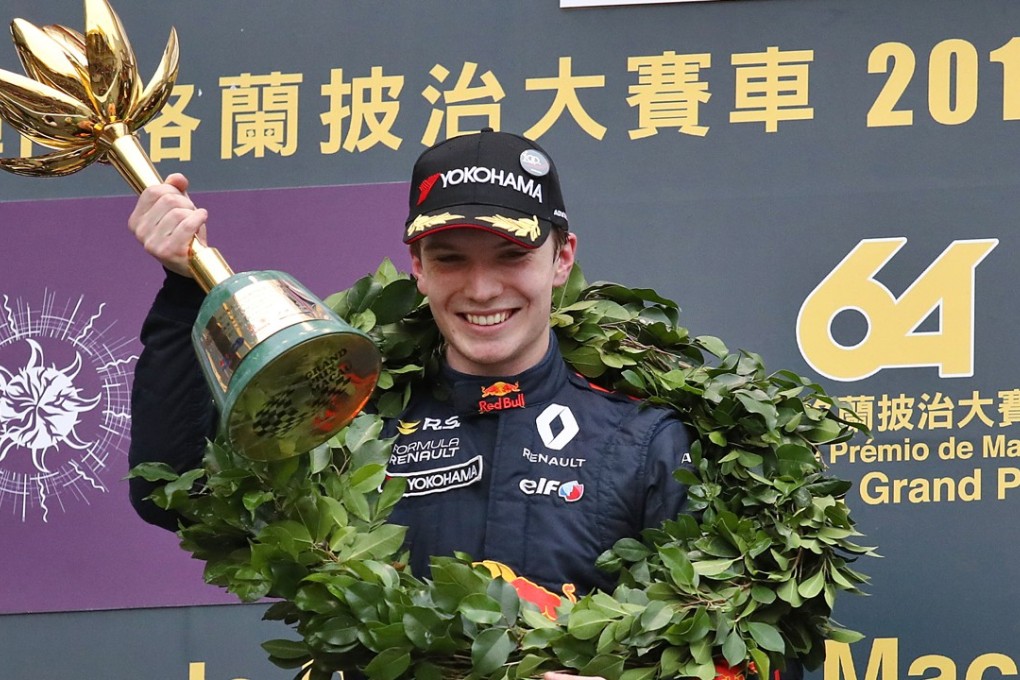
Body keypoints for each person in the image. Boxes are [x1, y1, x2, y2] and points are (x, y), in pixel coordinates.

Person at [126, 129, 732, 679]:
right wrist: (185, 287)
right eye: (450, 259)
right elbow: (177, 495)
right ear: (417, 265)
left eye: (512, 257)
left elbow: (727, 647)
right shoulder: (347, 423)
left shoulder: (644, 441)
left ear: (562, 257)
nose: (482, 288)